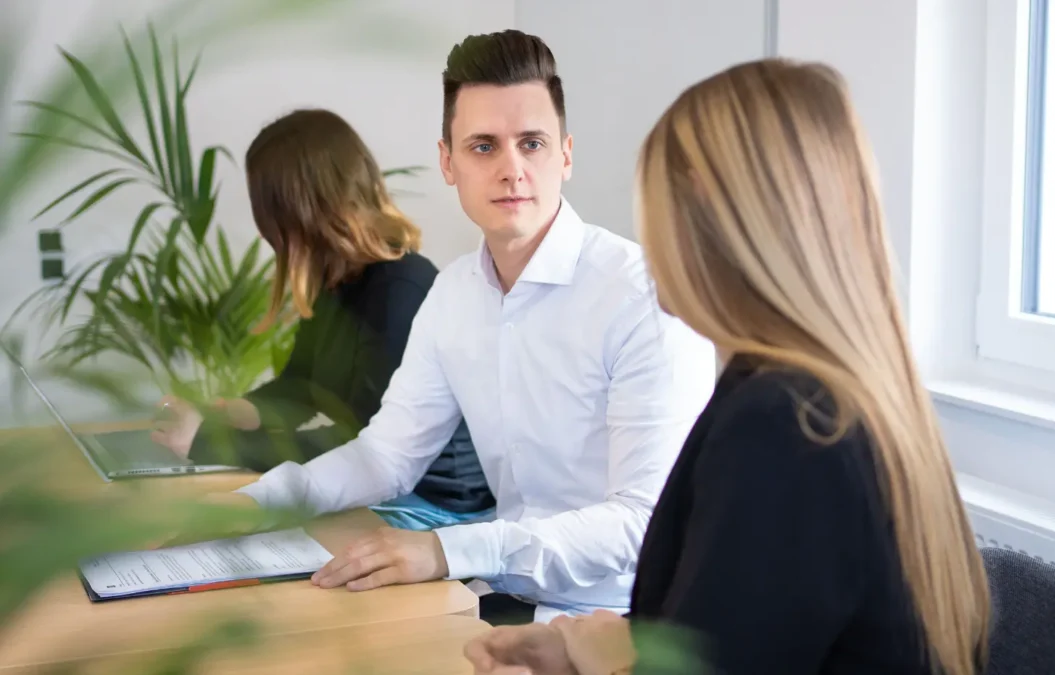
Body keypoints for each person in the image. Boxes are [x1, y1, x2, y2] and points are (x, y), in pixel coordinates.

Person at [464, 59, 991, 674]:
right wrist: (579, 649)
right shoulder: (820, 394)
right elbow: (748, 620)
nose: (647, 238)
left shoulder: (786, 427)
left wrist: (607, 661)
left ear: (713, 217)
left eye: (655, 207)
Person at [211, 30, 717, 623]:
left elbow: (642, 520)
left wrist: (445, 550)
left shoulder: (642, 297)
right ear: (448, 162)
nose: (512, 169)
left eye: (532, 143)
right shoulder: (453, 293)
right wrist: (256, 502)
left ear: (566, 154)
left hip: (625, 620)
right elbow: (387, 456)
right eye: (483, 147)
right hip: (504, 598)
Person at [150, 108, 495, 531]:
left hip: (434, 504)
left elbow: (365, 448)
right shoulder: (337, 281)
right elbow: (301, 387)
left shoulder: (401, 290)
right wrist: (233, 413)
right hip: (380, 488)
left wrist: (208, 444)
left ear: (299, 208)